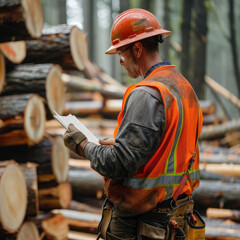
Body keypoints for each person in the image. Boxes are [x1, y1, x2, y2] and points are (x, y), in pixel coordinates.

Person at [63, 8, 204, 240]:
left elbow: (120, 164)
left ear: (137, 49)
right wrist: (118, 144)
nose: (120, 61)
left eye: (121, 52)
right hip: (175, 217)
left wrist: (83, 146)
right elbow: (165, 148)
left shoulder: (146, 94)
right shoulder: (184, 88)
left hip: (143, 224)